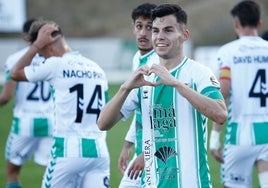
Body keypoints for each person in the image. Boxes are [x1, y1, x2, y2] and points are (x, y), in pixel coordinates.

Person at [98, 3, 227, 188]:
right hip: (152, 183)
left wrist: (175, 83)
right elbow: (103, 123)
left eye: (168, 30)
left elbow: (220, 114)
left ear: (184, 35)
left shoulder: (199, 73)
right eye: (156, 31)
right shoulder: (145, 77)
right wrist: (125, 88)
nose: (160, 37)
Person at [10, 19, 110, 188]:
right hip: (99, 152)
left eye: (40, 55)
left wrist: (34, 47)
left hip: (67, 151)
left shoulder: (55, 64)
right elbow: (106, 114)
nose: (41, 58)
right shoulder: (97, 68)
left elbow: (15, 73)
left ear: (46, 47)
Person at [209, 1, 268, 188]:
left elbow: (223, 92)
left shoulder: (228, 52)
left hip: (240, 135)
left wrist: (214, 137)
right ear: (259, 23)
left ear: (236, 24)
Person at [0, 18, 54, 188]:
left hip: (24, 122)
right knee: (51, 174)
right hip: (51, 122)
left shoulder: (15, 59)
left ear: (26, 37)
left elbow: (6, 97)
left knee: (12, 173)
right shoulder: (55, 59)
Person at [117, 3, 157, 188]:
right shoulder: (137, 58)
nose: (143, 33)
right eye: (139, 26)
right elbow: (142, 107)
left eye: (149, 27)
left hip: (159, 154)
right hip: (142, 150)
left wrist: (146, 155)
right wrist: (128, 144)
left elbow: (165, 116)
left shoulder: (160, 63)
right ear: (133, 28)